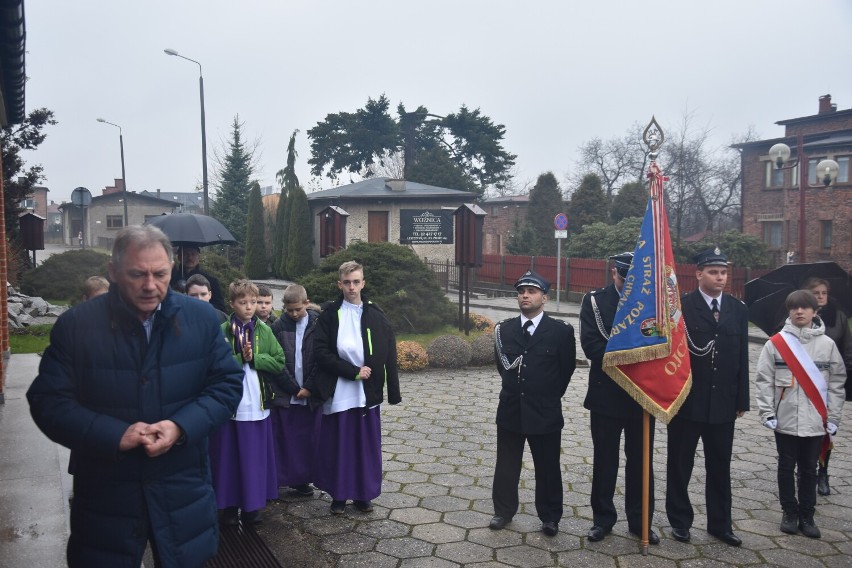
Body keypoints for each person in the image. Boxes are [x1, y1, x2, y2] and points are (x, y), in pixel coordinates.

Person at [27, 225, 243, 568]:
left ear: (171, 270)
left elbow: (227, 385)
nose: (150, 285)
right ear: (112, 272)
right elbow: (48, 401)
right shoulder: (76, 326)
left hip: (182, 486)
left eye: (160, 274)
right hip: (106, 494)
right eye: (137, 274)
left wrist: (180, 426)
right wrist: (114, 435)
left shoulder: (200, 319)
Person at [666, 248, 749, 547]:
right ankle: (679, 521)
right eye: (713, 272)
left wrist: (742, 399)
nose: (720, 277)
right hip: (687, 401)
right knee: (679, 464)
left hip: (723, 404)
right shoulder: (683, 307)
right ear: (699, 274)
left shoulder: (738, 310)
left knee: (719, 466)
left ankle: (720, 524)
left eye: (724, 272)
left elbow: (742, 356)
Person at [490, 270, 576, 537]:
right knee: (506, 464)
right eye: (521, 291)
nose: (525, 295)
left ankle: (550, 517)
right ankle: (503, 511)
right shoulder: (504, 329)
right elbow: (502, 368)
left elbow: (566, 371)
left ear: (545, 298)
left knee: (548, 466)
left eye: (532, 291)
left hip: (544, 410)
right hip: (512, 408)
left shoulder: (560, 332)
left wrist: (546, 395)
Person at [580, 252, 659, 544]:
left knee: (641, 462)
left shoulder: (653, 304)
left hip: (641, 396)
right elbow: (591, 346)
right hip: (606, 394)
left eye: (634, 280)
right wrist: (631, 357)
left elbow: (659, 346)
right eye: (624, 278)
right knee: (605, 461)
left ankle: (641, 522)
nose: (628, 285)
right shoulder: (595, 302)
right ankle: (603, 519)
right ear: (615, 272)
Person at [312, 260, 401, 514]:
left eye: (356, 282)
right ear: (340, 284)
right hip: (339, 389)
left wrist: (392, 391)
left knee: (365, 445)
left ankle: (363, 494)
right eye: (347, 282)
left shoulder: (375, 314)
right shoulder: (329, 314)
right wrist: (352, 372)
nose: (352, 287)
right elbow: (320, 352)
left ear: (364, 283)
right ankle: (339, 495)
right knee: (339, 445)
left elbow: (389, 352)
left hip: (367, 391)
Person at [756, 290, 845, 539]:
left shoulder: (827, 345)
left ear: (815, 312)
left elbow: (837, 383)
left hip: (817, 421)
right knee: (785, 467)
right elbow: (763, 379)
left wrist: (834, 417)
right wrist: (767, 411)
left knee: (809, 469)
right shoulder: (776, 343)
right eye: (794, 308)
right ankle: (789, 512)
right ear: (789, 311)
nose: (799, 312)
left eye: (805, 307)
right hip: (784, 419)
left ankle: (807, 514)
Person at [209, 279, 286, 526]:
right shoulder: (222, 331)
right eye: (243, 303)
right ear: (232, 304)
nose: (250, 307)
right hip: (232, 405)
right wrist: (239, 357)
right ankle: (229, 507)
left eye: (253, 302)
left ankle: (252, 507)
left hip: (257, 402)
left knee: (254, 459)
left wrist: (255, 360)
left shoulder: (264, 330)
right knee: (229, 457)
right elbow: (212, 365)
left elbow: (279, 361)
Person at [801, 277, 852, 495]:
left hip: (827, 384)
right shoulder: (799, 317)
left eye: (824, 292)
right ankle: (804, 470)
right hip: (802, 384)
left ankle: (823, 471)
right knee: (802, 429)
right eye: (816, 293)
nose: (821, 296)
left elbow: (847, 349)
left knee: (825, 431)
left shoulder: (838, 317)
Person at [270, 284, 322, 496]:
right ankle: (281, 478)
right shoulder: (278, 327)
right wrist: (292, 387)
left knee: (305, 438)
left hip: (310, 392)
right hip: (287, 392)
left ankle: (302, 479)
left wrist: (309, 386)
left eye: (298, 309)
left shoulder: (317, 324)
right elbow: (276, 361)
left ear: (306, 304)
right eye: (289, 310)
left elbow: (321, 357)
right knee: (285, 437)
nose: (293, 314)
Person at [170, 245, 226, 313]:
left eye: (193, 254)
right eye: (185, 254)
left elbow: (221, 308)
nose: (190, 258)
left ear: (198, 256)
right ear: (179, 256)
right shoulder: (171, 279)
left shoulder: (212, 281)